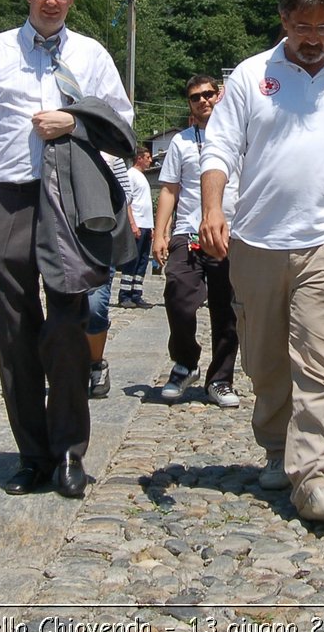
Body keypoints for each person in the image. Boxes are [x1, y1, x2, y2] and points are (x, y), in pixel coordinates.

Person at [199, 0, 324, 523]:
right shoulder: (252, 76)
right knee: (266, 360)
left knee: (322, 361)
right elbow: (221, 149)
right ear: (283, 20)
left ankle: (317, 477)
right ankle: (278, 447)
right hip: (257, 239)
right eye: (303, 26)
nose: (313, 37)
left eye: (323, 28)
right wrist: (212, 209)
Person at [0, 0, 133, 500]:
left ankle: (70, 453)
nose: (51, 1)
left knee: (68, 327)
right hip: (9, 196)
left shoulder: (91, 54)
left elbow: (123, 123)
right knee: (13, 329)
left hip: (71, 200)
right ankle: (31, 454)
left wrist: (75, 121)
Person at [152, 75, 240, 407]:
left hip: (230, 236)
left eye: (208, 94)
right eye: (195, 97)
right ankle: (185, 362)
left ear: (219, 96)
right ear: (189, 104)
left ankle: (220, 379)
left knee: (226, 310)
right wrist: (160, 234)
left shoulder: (240, 139)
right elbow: (170, 190)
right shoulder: (181, 142)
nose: (203, 101)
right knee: (178, 297)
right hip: (187, 233)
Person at [82, 151, 136, 399]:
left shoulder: (112, 157)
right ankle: (72, 366)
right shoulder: (63, 147)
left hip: (102, 239)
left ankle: (96, 363)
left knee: (95, 306)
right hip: (67, 238)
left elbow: (126, 195)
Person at [116, 145, 155, 308]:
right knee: (132, 260)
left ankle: (136, 294)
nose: (150, 160)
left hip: (146, 225)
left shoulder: (142, 177)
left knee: (142, 261)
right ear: (139, 158)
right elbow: (127, 201)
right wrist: (132, 224)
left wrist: (151, 227)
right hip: (137, 224)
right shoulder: (130, 175)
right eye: (147, 157)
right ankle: (125, 295)